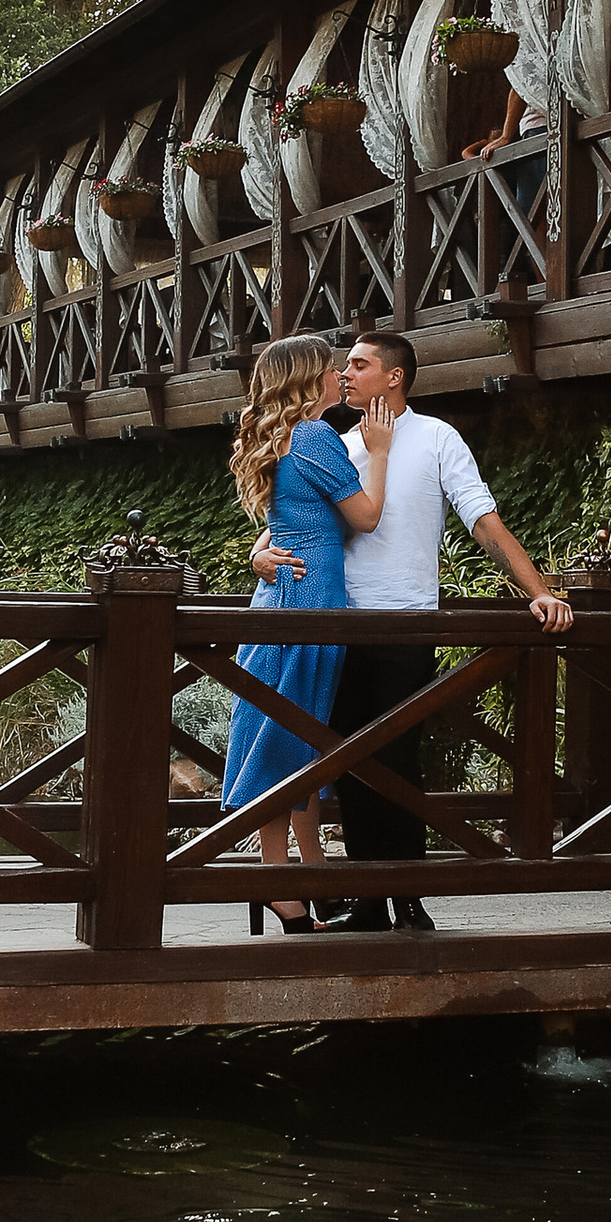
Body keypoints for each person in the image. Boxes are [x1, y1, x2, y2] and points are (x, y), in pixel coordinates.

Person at [260, 327, 571, 936]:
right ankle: (371, 900)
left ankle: (408, 896)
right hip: (339, 622)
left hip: (408, 622)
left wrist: (540, 592)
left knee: (398, 758)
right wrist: (260, 558)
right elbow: (293, 522)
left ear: (394, 376)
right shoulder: (334, 442)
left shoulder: (435, 437)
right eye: (342, 366)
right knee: (347, 761)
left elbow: (483, 521)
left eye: (358, 365)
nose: (344, 374)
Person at [218, 332, 395, 931]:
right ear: (308, 377)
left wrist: (256, 556)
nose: (338, 377)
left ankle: (296, 878)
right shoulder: (317, 436)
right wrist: (379, 450)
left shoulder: (275, 439)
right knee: (294, 739)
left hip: (275, 596)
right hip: (312, 599)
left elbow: (281, 522)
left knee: (290, 734)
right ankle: (281, 883)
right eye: (330, 368)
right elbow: (366, 517)